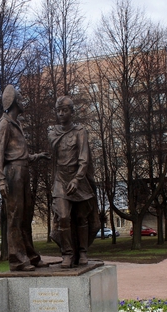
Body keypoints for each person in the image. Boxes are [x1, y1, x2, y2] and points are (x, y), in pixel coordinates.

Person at [0, 85, 49, 272]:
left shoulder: (17, 124)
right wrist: (1, 180)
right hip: (12, 174)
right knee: (15, 218)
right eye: (21, 98)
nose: (24, 101)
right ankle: (17, 259)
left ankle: (30, 256)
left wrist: (37, 156)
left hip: (22, 171)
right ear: (15, 101)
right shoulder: (5, 124)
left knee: (25, 217)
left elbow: (19, 154)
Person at [48, 96, 99, 268]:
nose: (61, 113)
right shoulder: (53, 133)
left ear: (72, 112)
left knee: (80, 217)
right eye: (58, 110)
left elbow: (84, 158)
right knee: (63, 216)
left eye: (65, 110)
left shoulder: (80, 131)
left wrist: (77, 179)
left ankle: (83, 252)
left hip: (78, 179)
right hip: (60, 180)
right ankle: (68, 254)